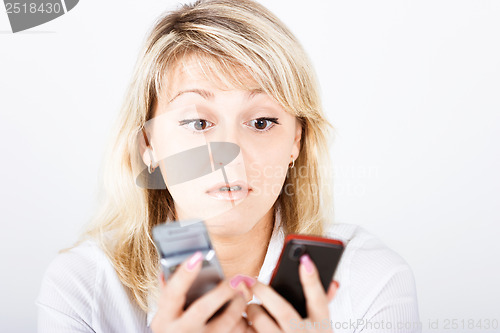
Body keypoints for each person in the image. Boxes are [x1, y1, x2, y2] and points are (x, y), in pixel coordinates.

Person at [36, 0, 421, 332]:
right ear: (148, 144)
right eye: (199, 123)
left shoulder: (371, 278)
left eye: (261, 122)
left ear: (296, 143)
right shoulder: (83, 286)